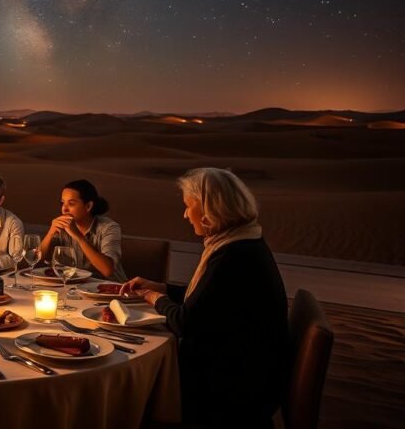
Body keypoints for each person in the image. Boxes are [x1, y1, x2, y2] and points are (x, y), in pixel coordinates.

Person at [121, 168, 289, 428]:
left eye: (189, 207)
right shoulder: (244, 243)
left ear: (210, 210)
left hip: (230, 391)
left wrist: (152, 296)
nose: (185, 215)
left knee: (136, 394)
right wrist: (163, 287)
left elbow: (186, 323)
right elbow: (211, 302)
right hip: (246, 372)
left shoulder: (232, 256)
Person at [37, 179, 127, 282]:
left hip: (111, 289)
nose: (64, 209)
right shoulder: (62, 226)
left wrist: (79, 237)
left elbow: (107, 270)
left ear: (88, 206)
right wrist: (51, 232)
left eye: (71, 204)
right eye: (62, 203)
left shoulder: (109, 228)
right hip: (77, 288)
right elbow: (37, 259)